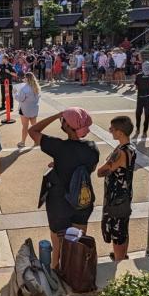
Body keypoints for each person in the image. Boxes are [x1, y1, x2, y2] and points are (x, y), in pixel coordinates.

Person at [28, 107, 99, 269]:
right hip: (82, 200)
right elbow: (90, 169)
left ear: (67, 126)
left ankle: (55, 273)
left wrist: (56, 115)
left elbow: (33, 131)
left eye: (63, 120)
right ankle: (77, 274)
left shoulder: (58, 147)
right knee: (78, 243)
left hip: (59, 202)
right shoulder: (92, 148)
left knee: (58, 247)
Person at [97, 116, 136, 262]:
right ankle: (122, 255)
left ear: (119, 132)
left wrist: (107, 164)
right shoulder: (130, 148)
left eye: (112, 129)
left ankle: (119, 261)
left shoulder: (120, 152)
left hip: (116, 197)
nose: (110, 131)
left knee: (117, 231)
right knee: (123, 227)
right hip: (125, 194)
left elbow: (101, 172)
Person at [15, 72, 41, 149]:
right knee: (35, 126)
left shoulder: (24, 89)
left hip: (25, 109)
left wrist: (15, 94)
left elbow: (20, 99)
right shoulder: (37, 87)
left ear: (27, 79)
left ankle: (23, 142)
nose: (24, 78)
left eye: (25, 77)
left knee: (25, 127)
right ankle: (37, 141)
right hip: (34, 109)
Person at [133, 61, 149, 138]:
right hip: (147, 98)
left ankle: (139, 130)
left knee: (139, 114)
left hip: (142, 97)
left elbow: (136, 86)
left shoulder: (140, 75)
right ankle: (144, 131)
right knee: (146, 115)